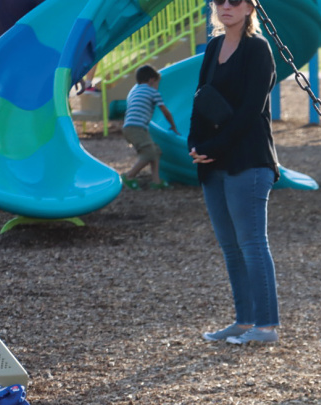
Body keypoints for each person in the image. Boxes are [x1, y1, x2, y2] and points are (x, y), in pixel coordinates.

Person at [189, 0, 281, 345]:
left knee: (253, 244)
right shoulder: (213, 46)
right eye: (219, 1)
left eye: (235, 1)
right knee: (230, 246)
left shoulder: (258, 49)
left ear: (250, 7)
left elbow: (249, 111)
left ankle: (266, 325)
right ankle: (244, 321)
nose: (225, 6)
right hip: (214, 163)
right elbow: (201, 98)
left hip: (249, 160)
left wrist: (214, 147)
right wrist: (194, 143)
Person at [120, 65, 178, 190]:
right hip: (136, 128)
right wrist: (173, 127)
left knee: (155, 151)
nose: (158, 86)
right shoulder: (153, 92)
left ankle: (156, 182)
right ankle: (129, 176)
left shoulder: (135, 91)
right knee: (149, 153)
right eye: (157, 83)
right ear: (152, 80)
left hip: (130, 127)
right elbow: (166, 112)